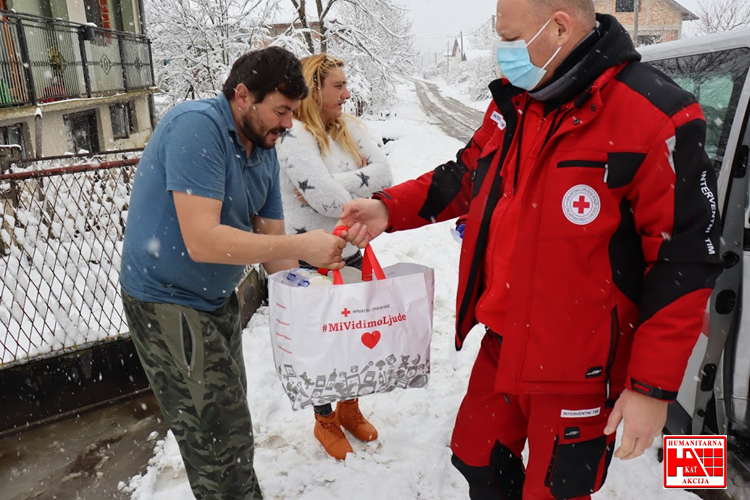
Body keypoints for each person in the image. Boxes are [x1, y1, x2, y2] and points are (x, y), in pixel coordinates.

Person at [338, 0, 724, 498]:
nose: (501, 54)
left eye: (509, 38)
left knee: (555, 491)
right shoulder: (518, 105)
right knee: (477, 462)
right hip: (503, 344)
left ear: (559, 27)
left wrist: (651, 388)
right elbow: (467, 173)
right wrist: (388, 210)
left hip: (579, 370)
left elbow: (684, 261)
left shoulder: (654, 115)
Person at [119, 46, 351, 499]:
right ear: (242, 96)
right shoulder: (197, 129)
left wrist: (312, 305)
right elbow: (203, 240)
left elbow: (276, 253)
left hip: (214, 299)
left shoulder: (264, 147)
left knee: (229, 423)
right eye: (281, 111)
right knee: (216, 437)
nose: (288, 124)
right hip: (166, 301)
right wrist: (303, 246)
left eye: (292, 113)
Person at [276, 53, 394, 460]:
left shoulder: (350, 127)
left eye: (346, 83)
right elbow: (327, 198)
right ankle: (324, 419)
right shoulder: (293, 137)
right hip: (312, 259)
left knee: (354, 340)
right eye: (338, 86)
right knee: (322, 345)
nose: (347, 92)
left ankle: (349, 409)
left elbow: (385, 175)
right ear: (314, 89)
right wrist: (350, 187)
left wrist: (327, 185)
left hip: (354, 251)